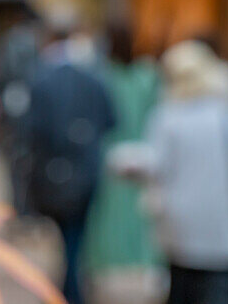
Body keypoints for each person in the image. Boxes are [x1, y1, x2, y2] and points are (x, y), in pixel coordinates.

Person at [145, 40, 228, 304]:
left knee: (182, 287)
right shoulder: (224, 113)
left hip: (180, 220)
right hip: (219, 217)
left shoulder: (167, 116)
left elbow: (155, 164)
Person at [25, 18, 116, 304]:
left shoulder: (42, 77)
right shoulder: (94, 76)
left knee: (68, 237)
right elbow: (112, 120)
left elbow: (31, 129)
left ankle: (68, 290)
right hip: (86, 171)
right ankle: (71, 289)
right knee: (78, 235)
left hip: (52, 172)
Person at [83, 24, 162, 301]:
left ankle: (100, 267)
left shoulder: (103, 75)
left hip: (112, 154)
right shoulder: (145, 75)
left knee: (107, 217)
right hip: (140, 152)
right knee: (141, 216)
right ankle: (146, 267)